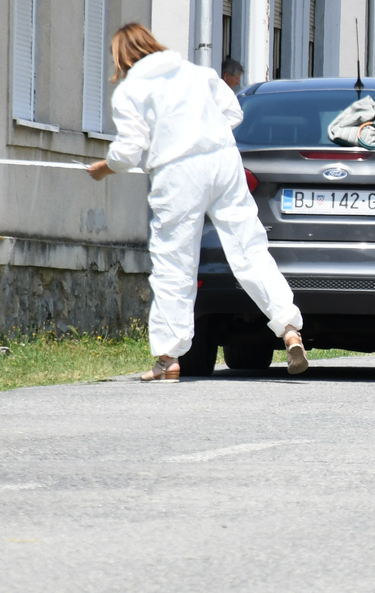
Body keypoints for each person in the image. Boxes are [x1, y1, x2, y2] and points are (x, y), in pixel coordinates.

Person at [88, 23, 305, 381]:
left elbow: (127, 153)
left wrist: (104, 168)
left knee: (175, 264)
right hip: (224, 163)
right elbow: (234, 113)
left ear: (122, 57)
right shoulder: (196, 73)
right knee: (249, 251)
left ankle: (168, 358)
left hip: (178, 173)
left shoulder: (132, 91)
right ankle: (289, 329)